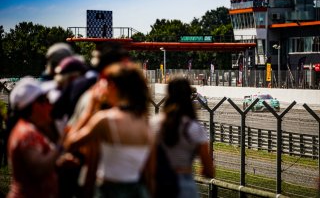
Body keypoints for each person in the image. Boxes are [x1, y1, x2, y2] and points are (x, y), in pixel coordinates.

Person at [63, 63, 153, 198]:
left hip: (109, 190)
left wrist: (89, 110)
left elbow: (69, 143)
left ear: (113, 86)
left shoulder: (105, 119)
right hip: (137, 190)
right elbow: (150, 173)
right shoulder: (145, 122)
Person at [150, 77, 215, 198]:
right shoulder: (195, 128)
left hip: (160, 183)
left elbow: (149, 161)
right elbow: (209, 171)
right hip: (185, 183)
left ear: (168, 94)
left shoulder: (154, 124)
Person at [6, 77, 61, 198]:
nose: (50, 105)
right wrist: (62, 145)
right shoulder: (27, 134)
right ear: (35, 105)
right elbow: (38, 169)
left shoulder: (28, 129)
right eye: (46, 100)